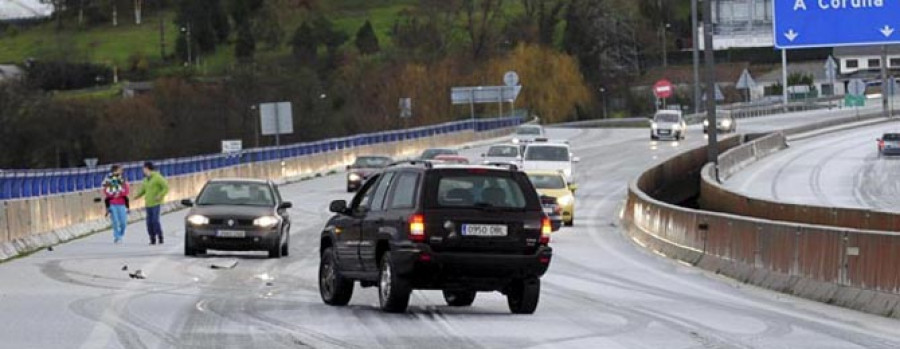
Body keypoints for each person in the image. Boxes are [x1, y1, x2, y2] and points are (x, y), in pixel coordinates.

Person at [134, 162, 169, 245]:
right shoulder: (145, 179)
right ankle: (152, 238)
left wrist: (160, 195)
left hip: (156, 203)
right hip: (148, 203)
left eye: (144, 168)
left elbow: (166, 187)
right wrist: (136, 196)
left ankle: (160, 236)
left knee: (155, 221)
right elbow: (143, 190)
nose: (143, 170)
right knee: (149, 222)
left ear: (147, 168)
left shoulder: (158, 177)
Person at [101, 165, 130, 244]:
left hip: (121, 203)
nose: (121, 171)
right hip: (112, 203)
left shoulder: (123, 180)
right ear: (115, 171)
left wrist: (120, 194)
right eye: (120, 170)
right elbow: (105, 191)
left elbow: (127, 191)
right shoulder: (108, 180)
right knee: (115, 221)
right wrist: (113, 195)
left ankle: (121, 233)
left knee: (123, 222)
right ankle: (117, 237)